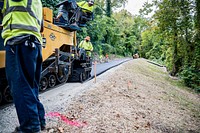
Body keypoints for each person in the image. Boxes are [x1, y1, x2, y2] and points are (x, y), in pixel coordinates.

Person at [1, 0, 46, 132]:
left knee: (20, 86)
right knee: (30, 87)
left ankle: (30, 127)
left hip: (19, 43)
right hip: (34, 44)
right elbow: (41, 26)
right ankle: (39, 121)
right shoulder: (37, 2)